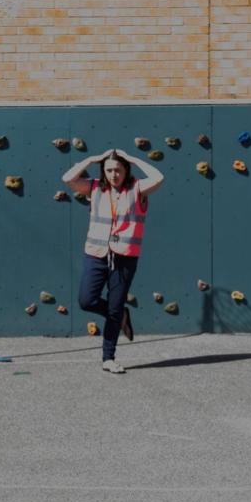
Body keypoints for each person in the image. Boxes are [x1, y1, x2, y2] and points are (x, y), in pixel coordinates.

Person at [63, 148, 164, 373]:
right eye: (108, 170)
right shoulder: (95, 187)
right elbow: (68, 179)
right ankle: (121, 315)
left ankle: (108, 357)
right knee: (86, 300)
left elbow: (159, 178)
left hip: (124, 256)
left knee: (115, 307)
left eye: (117, 170)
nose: (113, 174)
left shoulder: (138, 188)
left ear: (125, 170)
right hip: (96, 253)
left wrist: (134, 159)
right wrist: (91, 159)